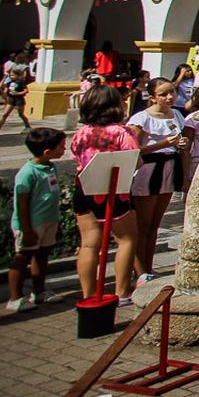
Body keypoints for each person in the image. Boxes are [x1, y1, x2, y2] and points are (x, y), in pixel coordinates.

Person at [69, 85, 140, 303]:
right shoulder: (122, 133)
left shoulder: (80, 134)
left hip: (84, 188)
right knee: (127, 239)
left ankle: (88, 294)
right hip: (112, 191)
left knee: (89, 244)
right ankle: (121, 291)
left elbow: (76, 159)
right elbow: (134, 160)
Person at [126, 77, 189, 285]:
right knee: (142, 224)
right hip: (148, 170)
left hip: (169, 168)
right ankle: (139, 270)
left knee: (154, 223)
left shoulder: (177, 114)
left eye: (172, 92)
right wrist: (161, 143)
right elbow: (131, 149)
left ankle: (148, 266)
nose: (170, 97)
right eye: (163, 94)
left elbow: (181, 145)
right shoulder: (142, 119)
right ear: (152, 97)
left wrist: (182, 145)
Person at [7, 127, 67, 312]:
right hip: (31, 225)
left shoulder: (50, 167)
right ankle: (15, 297)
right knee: (22, 258)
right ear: (47, 151)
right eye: (61, 147)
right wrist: (26, 229)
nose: (64, 149)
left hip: (49, 220)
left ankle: (39, 291)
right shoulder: (27, 173)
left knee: (42, 256)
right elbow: (21, 204)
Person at [0, 50, 33, 135]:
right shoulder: (10, 81)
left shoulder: (20, 82)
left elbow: (26, 90)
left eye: (12, 75)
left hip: (19, 100)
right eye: (10, 75)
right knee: (5, 114)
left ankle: (28, 126)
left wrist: (18, 93)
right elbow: (7, 88)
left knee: (21, 114)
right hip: (11, 99)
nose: (10, 76)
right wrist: (5, 95)